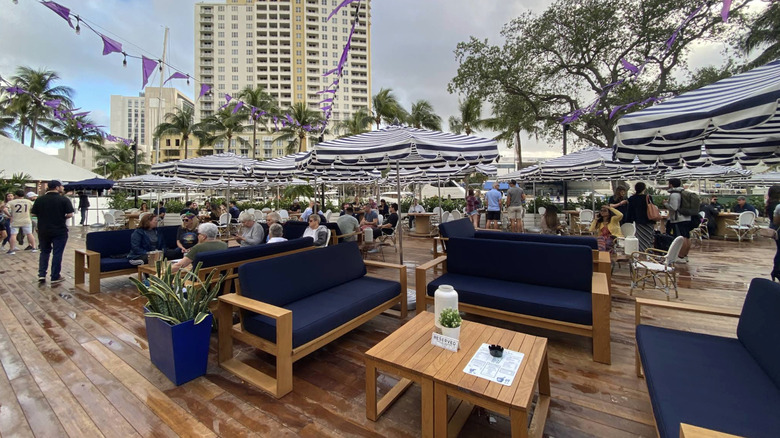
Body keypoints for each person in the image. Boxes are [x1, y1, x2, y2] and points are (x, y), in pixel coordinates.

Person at [31, 180, 74, 283]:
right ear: (56, 187)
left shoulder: (39, 200)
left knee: (44, 252)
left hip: (43, 230)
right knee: (57, 253)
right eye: (61, 186)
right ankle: (55, 276)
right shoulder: (64, 200)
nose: (62, 188)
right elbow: (70, 214)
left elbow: (33, 214)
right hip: (59, 230)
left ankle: (42, 275)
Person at [663, 178, 691, 263]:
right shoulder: (682, 192)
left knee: (681, 237)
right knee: (686, 237)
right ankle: (685, 255)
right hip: (686, 218)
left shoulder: (674, 194)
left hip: (678, 219)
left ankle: (681, 256)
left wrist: (665, 204)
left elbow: (674, 207)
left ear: (671, 184)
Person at [3, 190, 37, 254]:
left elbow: (5, 209)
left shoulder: (12, 202)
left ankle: (12, 249)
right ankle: (34, 247)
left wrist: (9, 215)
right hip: (26, 220)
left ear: (16, 195)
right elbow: (34, 210)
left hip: (15, 220)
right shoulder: (29, 202)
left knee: (13, 235)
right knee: (29, 234)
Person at [626, 182, 656, 252]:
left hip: (639, 221)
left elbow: (630, 211)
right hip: (649, 220)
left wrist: (628, 220)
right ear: (644, 189)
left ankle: (641, 252)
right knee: (649, 238)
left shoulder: (632, 198)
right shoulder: (648, 197)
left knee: (640, 237)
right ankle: (649, 252)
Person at [766, 186, 780, 281]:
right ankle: (777, 272)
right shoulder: (777, 205)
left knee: (779, 251)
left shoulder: (770, 204)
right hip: (778, 229)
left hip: (776, 230)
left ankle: (776, 272)